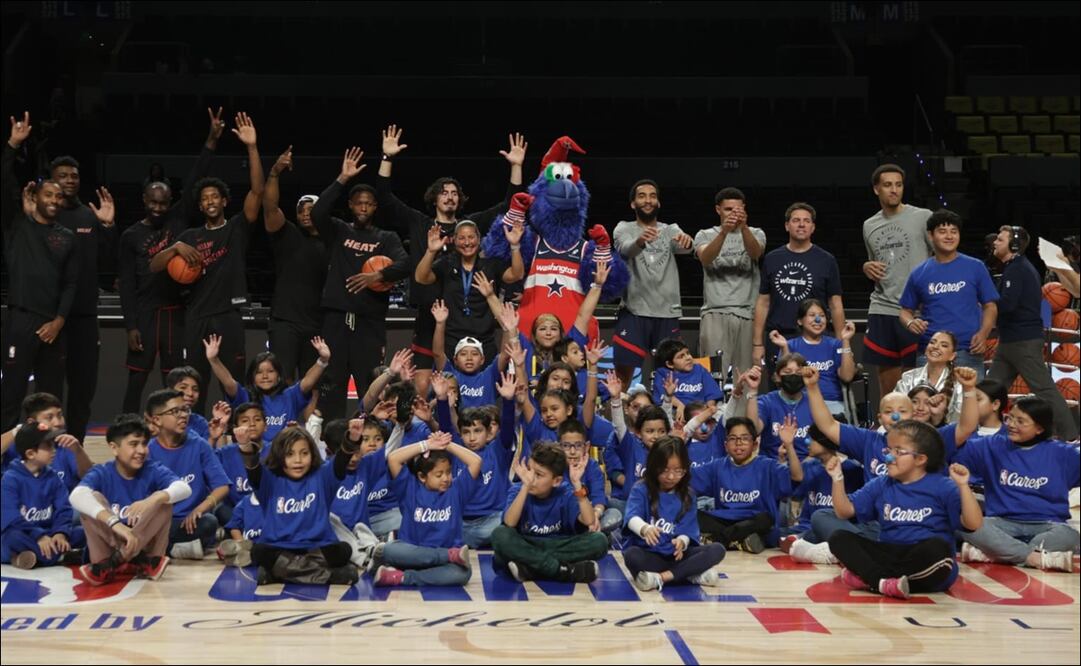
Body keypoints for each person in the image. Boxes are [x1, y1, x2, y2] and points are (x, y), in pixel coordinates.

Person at [377, 125, 527, 399]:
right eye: (444, 192)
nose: (450, 196)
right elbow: (385, 199)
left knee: (478, 384)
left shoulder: (469, 227)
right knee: (424, 387)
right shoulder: (419, 223)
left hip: (466, 316)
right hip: (428, 314)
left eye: (455, 193)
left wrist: (516, 167)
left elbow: (507, 205)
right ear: (434, 198)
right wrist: (387, 158)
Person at [149, 112, 265, 413]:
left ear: (224, 201)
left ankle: (234, 440)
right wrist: (176, 247)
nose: (210, 201)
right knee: (193, 385)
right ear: (199, 205)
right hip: (197, 316)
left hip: (228, 313)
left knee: (233, 384)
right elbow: (154, 266)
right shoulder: (189, 235)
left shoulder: (236, 228)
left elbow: (257, 191)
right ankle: (197, 439)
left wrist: (252, 147)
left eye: (215, 196)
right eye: (204, 199)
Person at [119, 109, 224, 413]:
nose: (158, 208)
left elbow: (195, 179)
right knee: (136, 381)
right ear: (144, 201)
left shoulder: (178, 219)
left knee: (175, 379)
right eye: (152, 202)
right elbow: (126, 283)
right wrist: (130, 326)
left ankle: (176, 427)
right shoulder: (130, 236)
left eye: (163, 203)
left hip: (177, 311)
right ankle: (127, 426)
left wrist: (211, 140)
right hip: (145, 312)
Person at [827, 420, 983, 599]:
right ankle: (882, 583)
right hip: (889, 552)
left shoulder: (943, 486)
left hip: (924, 558)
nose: (888, 457)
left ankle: (871, 579)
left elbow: (974, 523)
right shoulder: (881, 483)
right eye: (889, 450)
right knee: (839, 538)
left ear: (920, 459)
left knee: (940, 552)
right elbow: (844, 511)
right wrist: (837, 479)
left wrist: (963, 486)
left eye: (898, 452)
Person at [311, 146, 409, 421]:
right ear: (351, 206)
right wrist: (342, 179)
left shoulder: (386, 237)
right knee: (333, 386)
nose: (363, 206)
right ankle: (332, 441)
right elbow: (318, 213)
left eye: (368, 202)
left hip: (369, 322)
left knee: (370, 386)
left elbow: (406, 264)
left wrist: (377, 276)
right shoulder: (339, 231)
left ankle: (370, 438)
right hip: (336, 319)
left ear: (375, 207)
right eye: (358, 202)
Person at [1, 113, 78, 432]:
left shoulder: (67, 237)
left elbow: (71, 283)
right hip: (21, 320)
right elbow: (4, 180)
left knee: (51, 398)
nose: (55, 199)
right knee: (11, 393)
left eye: (59, 196)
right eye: (49, 194)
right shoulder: (18, 227)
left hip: (53, 326)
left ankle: (53, 461)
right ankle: (4, 459)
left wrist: (58, 321)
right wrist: (12, 145)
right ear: (36, 197)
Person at [955, 395, 1079, 572]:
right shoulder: (991, 446)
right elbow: (954, 446)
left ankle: (995, 554)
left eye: (1020, 421)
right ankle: (1033, 558)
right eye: (1009, 418)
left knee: (1070, 537)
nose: (1011, 425)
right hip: (1000, 522)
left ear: (1039, 428)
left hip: (1049, 524)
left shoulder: (1063, 453)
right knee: (966, 526)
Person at [69, 415, 192, 585]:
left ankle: (115, 563)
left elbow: (185, 488)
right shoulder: (102, 472)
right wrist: (116, 524)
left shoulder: (153, 469)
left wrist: (153, 499)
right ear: (114, 448)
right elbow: (76, 496)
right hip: (110, 545)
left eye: (144, 444)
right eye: (134, 444)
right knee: (92, 499)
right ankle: (137, 560)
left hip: (142, 545)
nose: (141, 450)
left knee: (164, 501)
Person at [48, 152, 117, 443]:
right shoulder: (43, 217)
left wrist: (108, 227)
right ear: (52, 180)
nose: (69, 180)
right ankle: (45, 448)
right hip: (51, 317)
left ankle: (74, 448)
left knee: (82, 389)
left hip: (85, 316)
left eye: (74, 176)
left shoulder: (90, 216)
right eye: (62, 175)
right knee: (50, 389)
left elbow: (110, 260)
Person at [986, 225, 1079, 440]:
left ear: (1014, 245)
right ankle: (983, 432)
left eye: (1000, 239)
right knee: (990, 390)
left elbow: (1007, 305)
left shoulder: (1018, 269)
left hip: (1022, 341)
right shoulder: (1013, 267)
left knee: (1045, 391)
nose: (995, 243)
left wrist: (985, 307)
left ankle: (1071, 437)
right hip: (1011, 340)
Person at [237, 426, 359, 586]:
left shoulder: (322, 476)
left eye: (304, 453)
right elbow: (253, 469)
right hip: (279, 547)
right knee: (258, 552)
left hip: (316, 547)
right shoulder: (269, 480)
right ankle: (328, 575)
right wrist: (246, 446)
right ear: (279, 456)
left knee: (343, 551)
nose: (298, 460)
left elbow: (341, 462)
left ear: (313, 453)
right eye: (290, 454)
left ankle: (278, 573)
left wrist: (352, 439)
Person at [612, 180, 695, 389]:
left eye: (652, 196)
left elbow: (685, 245)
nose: (648, 200)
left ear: (658, 202)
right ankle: (618, 417)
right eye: (642, 196)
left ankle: (666, 416)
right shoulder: (624, 228)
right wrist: (640, 241)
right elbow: (625, 250)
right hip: (634, 310)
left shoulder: (670, 229)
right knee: (623, 374)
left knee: (670, 374)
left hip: (667, 312)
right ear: (633, 203)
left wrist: (687, 242)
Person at [899, 209, 999, 381]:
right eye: (942, 231)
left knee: (971, 406)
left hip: (969, 352)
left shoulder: (976, 267)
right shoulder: (919, 273)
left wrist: (983, 333)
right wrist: (910, 322)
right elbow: (904, 311)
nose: (949, 236)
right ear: (931, 235)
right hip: (930, 353)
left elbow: (990, 306)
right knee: (928, 406)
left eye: (954, 231)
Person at [860, 164, 933, 398]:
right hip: (883, 308)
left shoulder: (923, 217)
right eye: (888, 185)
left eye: (898, 185)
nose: (894, 190)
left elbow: (942, 255)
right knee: (888, 390)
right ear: (876, 189)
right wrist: (866, 266)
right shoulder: (869, 225)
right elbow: (875, 262)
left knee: (917, 385)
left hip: (915, 311)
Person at [372, 431, 482, 587]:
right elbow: (393, 458)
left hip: (440, 564)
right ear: (422, 477)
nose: (446, 478)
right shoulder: (409, 488)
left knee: (463, 574)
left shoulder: (457, 490)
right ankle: (449, 555)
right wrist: (426, 444)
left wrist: (445, 444)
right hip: (414, 556)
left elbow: (476, 462)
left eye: (448, 472)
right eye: (439, 474)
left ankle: (401, 577)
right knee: (389, 550)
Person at [753, 203, 846, 381]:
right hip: (779, 337)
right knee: (781, 394)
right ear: (787, 226)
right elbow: (763, 302)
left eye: (806, 221)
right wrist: (757, 344)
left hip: (816, 339)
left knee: (818, 390)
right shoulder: (772, 259)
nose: (801, 224)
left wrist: (842, 344)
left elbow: (835, 304)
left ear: (813, 227)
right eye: (796, 220)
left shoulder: (827, 260)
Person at [490, 444, 609, 583]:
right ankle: (564, 571)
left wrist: (577, 484)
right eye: (530, 470)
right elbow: (509, 523)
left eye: (538, 475)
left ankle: (530, 569)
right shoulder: (518, 490)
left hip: (558, 544)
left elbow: (589, 521)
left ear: (556, 481)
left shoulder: (565, 492)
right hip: (527, 543)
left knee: (599, 541)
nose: (531, 478)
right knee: (500, 535)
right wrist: (525, 487)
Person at [623, 437, 727, 591]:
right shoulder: (641, 489)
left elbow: (688, 531)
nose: (671, 477)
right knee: (632, 555)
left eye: (678, 471)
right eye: (665, 470)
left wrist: (682, 542)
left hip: (676, 556)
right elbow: (631, 517)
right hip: (651, 554)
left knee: (717, 549)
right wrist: (645, 529)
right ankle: (690, 574)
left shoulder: (688, 495)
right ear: (653, 466)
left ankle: (662, 578)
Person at [262, 145, 329, 383]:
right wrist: (274, 173)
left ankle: (310, 422)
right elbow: (270, 208)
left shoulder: (333, 241)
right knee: (285, 379)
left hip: (318, 321)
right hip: (285, 321)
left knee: (313, 381)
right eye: (301, 209)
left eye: (312, 209)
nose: (306, 213)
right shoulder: (287, 234)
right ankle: (286, 420)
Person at [415, 218, 524, 364]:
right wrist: (431, 251)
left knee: (486, 384)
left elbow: (516, 274)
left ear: (479, 239)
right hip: (452, 340)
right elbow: (421, 277)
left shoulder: (490, 265)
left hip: (484, 341)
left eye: (471, 237)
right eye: (461, 238)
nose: (467, 242)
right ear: (454, 240)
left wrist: (515, 246)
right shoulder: (446, 264)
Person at [690, 416, 802, 553]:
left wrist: (789, 445)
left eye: (744, 438)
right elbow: (685, 481)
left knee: (766, 520)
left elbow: (797, 477)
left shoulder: (768, 466)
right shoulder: (717, 466)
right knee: (692, 515)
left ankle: (719, 540)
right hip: (724, 520)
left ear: (755, 445)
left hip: (754, 521)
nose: (738, 443)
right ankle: (740, 542)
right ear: (725, 445)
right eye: (733, 439)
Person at [433, 371, 518, 548]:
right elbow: (445, 427)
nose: (471, 438)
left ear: (489, 434)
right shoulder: (456, 450)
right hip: (460, 522)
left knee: (506, 531)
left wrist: (508, 401)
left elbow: (508, 429)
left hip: (492, 521)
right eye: (466, 432)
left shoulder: (498, 451)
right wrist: (441, 399)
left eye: (477, 431)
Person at [144, 389, 230, 559]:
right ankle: (176, 548)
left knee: (209, 523)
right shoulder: (147, 450)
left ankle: (161, 548)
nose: (183, 415)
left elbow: (222, 486)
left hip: (190, 522)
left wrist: (200, 508)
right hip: (159, 522)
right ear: (156, 420)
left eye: (185, 410)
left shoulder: (199, 445)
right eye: (175, 411)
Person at [204, 334, 330, 446]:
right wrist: (214, 360)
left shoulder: (290, 396)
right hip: (252, 455)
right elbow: (228, 382)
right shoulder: (245, 396)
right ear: (253, 377)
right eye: (259, 372)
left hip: (284, 456)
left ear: (279, 375)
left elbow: (308, 382)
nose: (265, 376)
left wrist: (322, 360)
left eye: (270, 371)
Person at [695, 187, 765, 376]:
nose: (733, 214)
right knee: (712, 375)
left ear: (744, 209)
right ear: (718, 210)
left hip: (747, 313)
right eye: (728, 210)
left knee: (746, 376)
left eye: (737, 210)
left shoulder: (756, 233)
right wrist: (724, 232)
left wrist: (743, 228)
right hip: (714, 312)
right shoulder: (704, 234)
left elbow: (755, 252)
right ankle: (712, 407)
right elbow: (706, 258)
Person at [1, 421, 85, 569]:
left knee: (83, 533)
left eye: (53, 444)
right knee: (12, 538)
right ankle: (63, 556)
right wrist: (38, 536)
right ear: (30, 453)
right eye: (48, 446)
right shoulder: (11, 478)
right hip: (23, 532)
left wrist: (61, 533)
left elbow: (64, 509)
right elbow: (11, 518)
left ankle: (30, 556)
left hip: (49, 532)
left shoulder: (52, 476)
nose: (54, 450)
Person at [769, 298, 857, 416]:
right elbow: (783, 379)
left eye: (822, 315)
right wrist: (784, 348)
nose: (817, 319)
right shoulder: (790, 345)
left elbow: (847, 377)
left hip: (832, 402)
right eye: (812, 315)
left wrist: (845, 340)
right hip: (801, 401)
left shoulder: (836, 344)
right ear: (800, 321)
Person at [0, 392, 92, 491]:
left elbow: (90, 478)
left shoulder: (67, 445)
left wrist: (78, 450)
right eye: (49, 417)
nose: (58, 423)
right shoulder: (16, 446)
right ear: (31, 422)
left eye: (60, 415)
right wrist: (19, 430)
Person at [893, 331, 964, 423]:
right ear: (926, 349)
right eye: (932, 342)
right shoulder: (908, 377)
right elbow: (896, 410)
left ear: (952, 356)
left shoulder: (959, 383)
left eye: (944, 345)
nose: (935, 347)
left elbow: (961, 420)